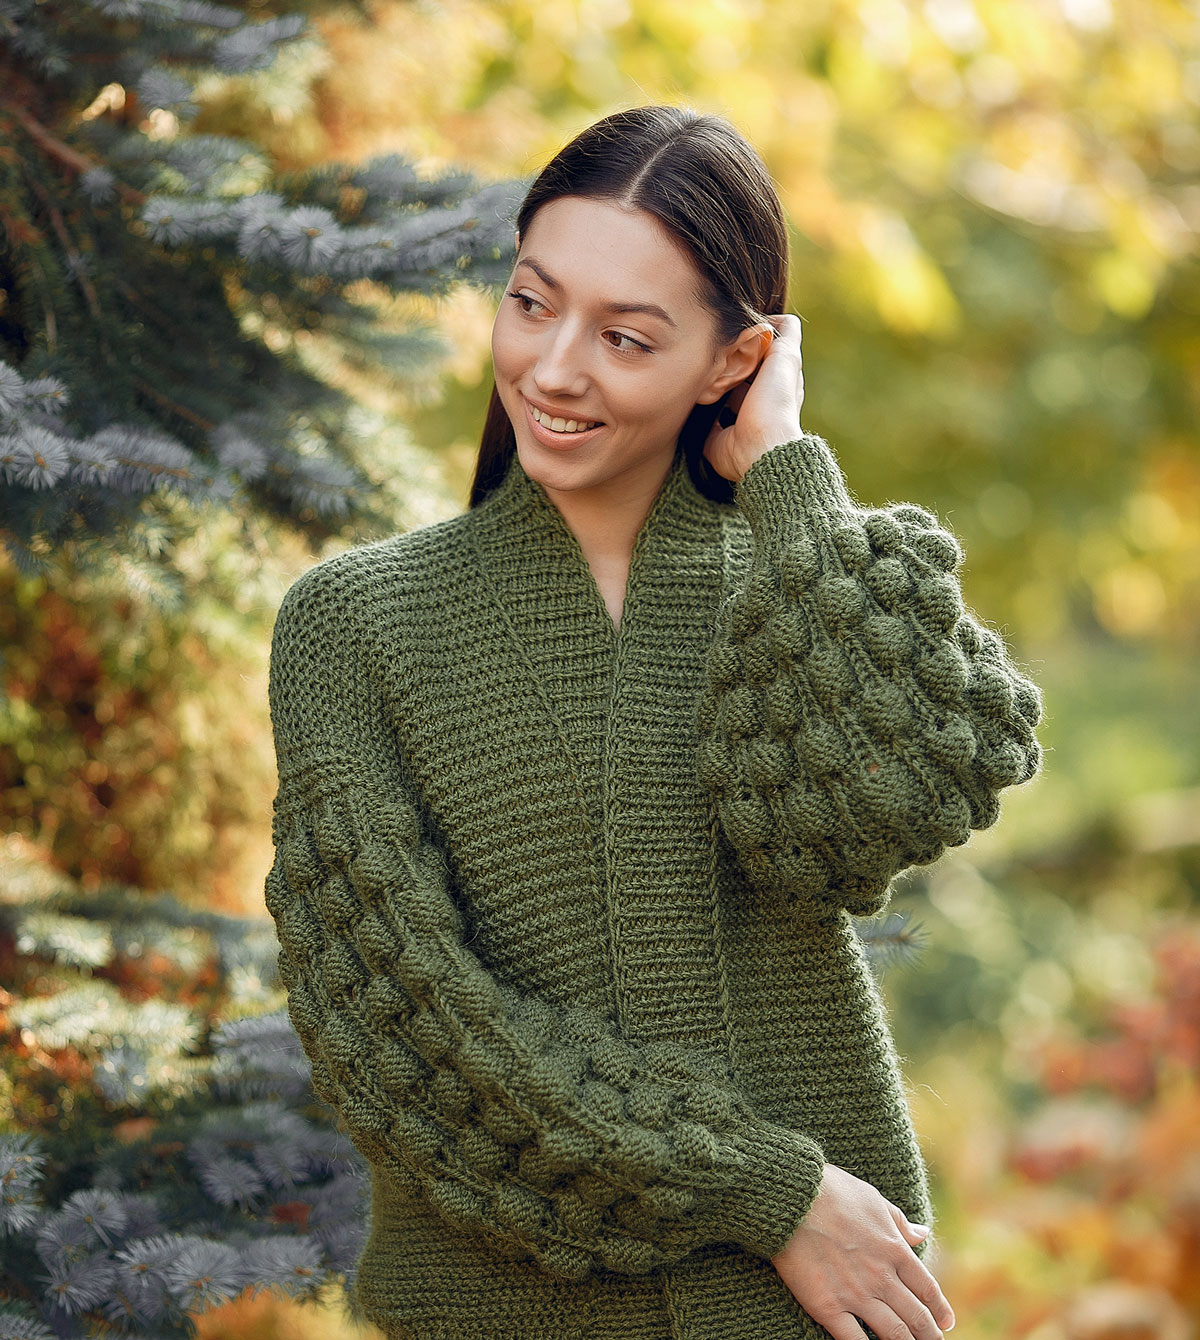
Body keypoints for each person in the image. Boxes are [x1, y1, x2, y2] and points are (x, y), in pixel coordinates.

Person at [263, 104, 1043, 1340]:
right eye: (532, 302)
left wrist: (786, 466)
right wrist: (768, 1190)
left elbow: (884, 808)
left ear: (732, 361)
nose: (555, 366)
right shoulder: (359, 625)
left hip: (816, 1313)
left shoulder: (792, 581)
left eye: (626, 336)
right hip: (508, 1307)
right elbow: (398, 1027)